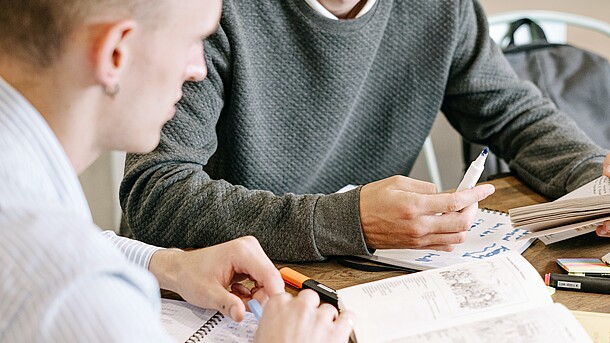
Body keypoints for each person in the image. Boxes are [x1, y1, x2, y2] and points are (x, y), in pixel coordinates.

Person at [121, 0, 610, 262]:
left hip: (366, 277)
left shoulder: (442, 9)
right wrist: (347, 220)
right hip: (212, 286)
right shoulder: (208, 11)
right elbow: (155, 196)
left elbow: (511, 112)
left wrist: (595, 179)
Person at [0, 0, 353, 341]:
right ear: (115, 54)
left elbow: (64, 242)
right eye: (193, 40)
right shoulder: (80, 294)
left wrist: (169, 265)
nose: (199, 68)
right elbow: (65, 266)